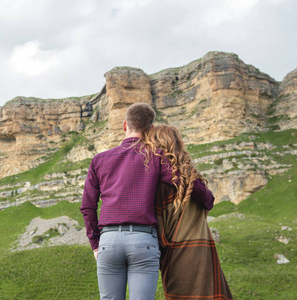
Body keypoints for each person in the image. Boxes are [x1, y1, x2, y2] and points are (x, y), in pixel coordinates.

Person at [80, 103, 215, 300]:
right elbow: (190, 185)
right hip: (143, 241)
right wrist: (207, 199)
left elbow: (88, 206)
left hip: (109, 241)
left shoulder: (99, 160)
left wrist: (95, 244)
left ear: (125, 125)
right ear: (150, 129)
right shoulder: (157, 157)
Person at [144, 125, 233, 300]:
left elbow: (157, 225)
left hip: (176, 254)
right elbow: (209, 201)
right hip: (203, 251)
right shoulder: (191, 179)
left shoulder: (155, 183)